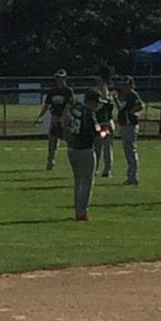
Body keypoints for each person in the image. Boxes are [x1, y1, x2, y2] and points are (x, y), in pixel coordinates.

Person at [64, 86, 108, 220]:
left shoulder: (77, 109)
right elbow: (97, 133)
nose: (98, 105)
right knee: (87, 182)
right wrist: (105, 131)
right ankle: (82, 212)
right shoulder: (89, 114)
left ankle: (78, 210)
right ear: (91, 102)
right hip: (85, 150)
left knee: (78, 182)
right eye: (96, 102)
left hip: (72, 148)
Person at [37, 70, 73, 171]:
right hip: (54, 117)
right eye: (57, 77)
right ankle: (50, 161)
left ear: (65, 78)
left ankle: (74, 161)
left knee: (70, 141)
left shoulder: (68, 91)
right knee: (52, 141)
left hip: (65, 119)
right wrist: (39, 116)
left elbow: (68, 106)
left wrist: (62, 118)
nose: (58, 80)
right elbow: (47, 105)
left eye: (60, 77)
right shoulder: (52, 91)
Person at [113, 74, 145, 185]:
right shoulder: (125, 96)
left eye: (126, 85)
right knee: (128, 152)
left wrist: (131, 112)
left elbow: (140, 105)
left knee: (131, 151)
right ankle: (131, 175)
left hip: (130, 125)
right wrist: (116, 100)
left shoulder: (132, 95)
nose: (124, 87)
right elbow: (121, 109)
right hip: (125, 125)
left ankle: (133, 176)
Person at [94, 76, 117, 178]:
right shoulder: (96, 95)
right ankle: (96, 169)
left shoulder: (110, 96)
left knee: (106, 148)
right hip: (99, 124)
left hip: (106, 124)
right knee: (97, 148)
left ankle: (106, 170)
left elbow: (108, 103)